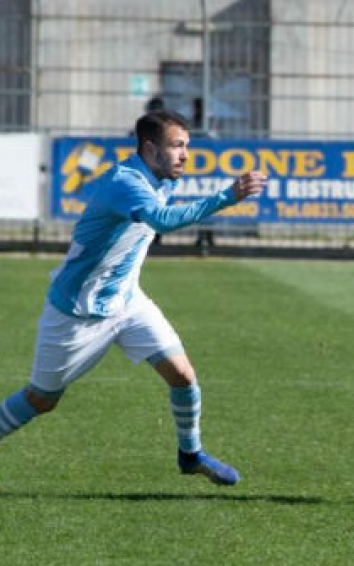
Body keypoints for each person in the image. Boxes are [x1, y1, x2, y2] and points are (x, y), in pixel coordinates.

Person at [0, 109, 267, 485]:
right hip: (77, 312)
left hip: (126, 302)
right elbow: (161, 221)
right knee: (41, 400)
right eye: (176, 146)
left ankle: (190, 455)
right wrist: (228, 195)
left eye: (186, 146)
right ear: (149, 148)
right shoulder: (126, 181)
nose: (185, 155)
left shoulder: (163, 177)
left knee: (183, 376)